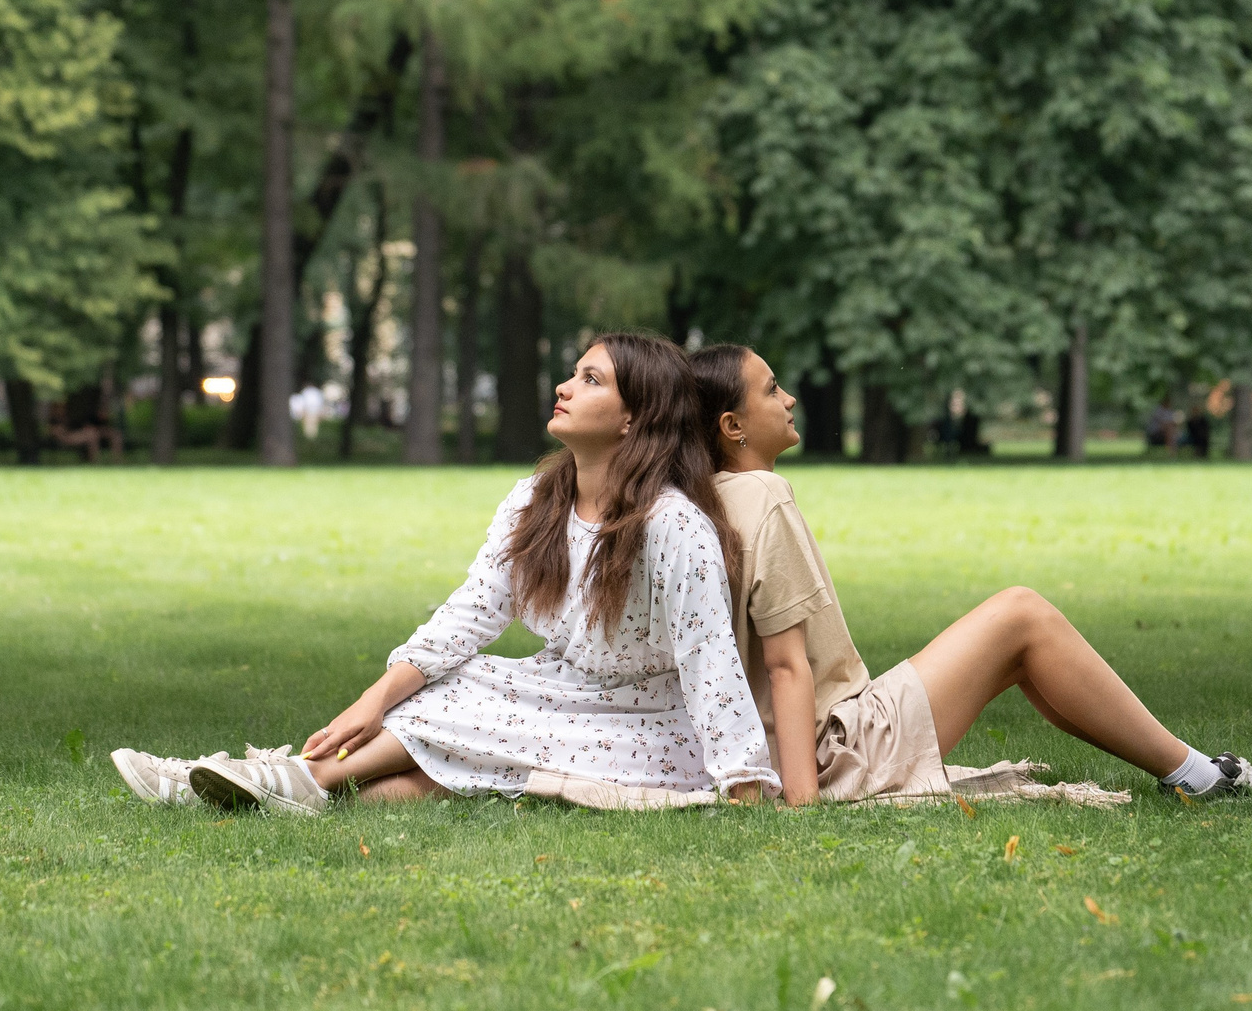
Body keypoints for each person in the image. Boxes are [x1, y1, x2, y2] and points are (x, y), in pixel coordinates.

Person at [108, 333, 778, 814]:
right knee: (457, 695)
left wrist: (744, 780)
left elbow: (709, 660)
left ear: (635, 418)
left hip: (646, 730)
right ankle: (276, 787)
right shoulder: (534, 502)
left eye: (591, 379)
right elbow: (469, 615)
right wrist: (374, 698)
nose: (564, 386)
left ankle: (275, 777)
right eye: (573, 373)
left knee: (463, 706)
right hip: (557, 693)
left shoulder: (672, 524)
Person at [691, 343, 1252, 806]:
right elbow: (785, 666)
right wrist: (803, 801)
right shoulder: (762, 495)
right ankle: (1197, 775)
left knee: (1021, 649)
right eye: (771, 390)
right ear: (732, 425)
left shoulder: (694, 505)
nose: (789, 398)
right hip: (835, 749)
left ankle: (1185, 770)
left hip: (772, 750)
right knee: (1023, 615)